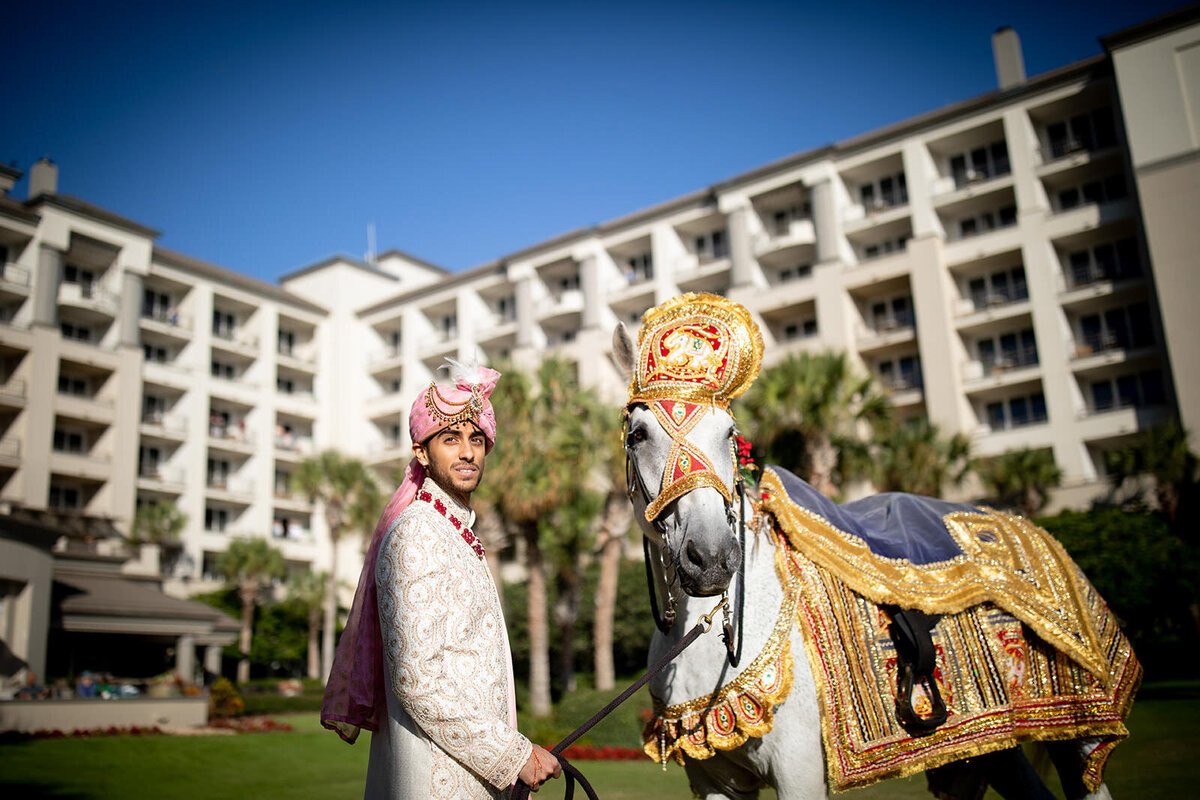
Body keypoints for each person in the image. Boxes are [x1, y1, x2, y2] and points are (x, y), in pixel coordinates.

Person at [322, 360, 561, 799]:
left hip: (471, 776)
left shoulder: (454, 532)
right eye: (450, 439)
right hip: (431, 781)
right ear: (422, 453)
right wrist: (511, 756)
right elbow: (416, 678)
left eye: (477, 439)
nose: (468, 452)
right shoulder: (415, 533)